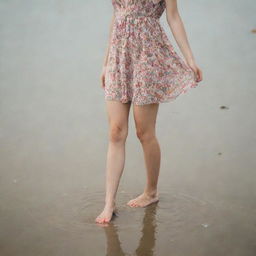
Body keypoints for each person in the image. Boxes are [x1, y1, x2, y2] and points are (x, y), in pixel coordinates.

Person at [95, 0, 203, 224]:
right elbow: (116, 16)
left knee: (144, 132)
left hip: (148, 57)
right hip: (118, 56)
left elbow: (173, 17)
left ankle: (151, 192)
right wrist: (105, 63)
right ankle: (109, 203)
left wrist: (190, 59)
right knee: (115, 131)